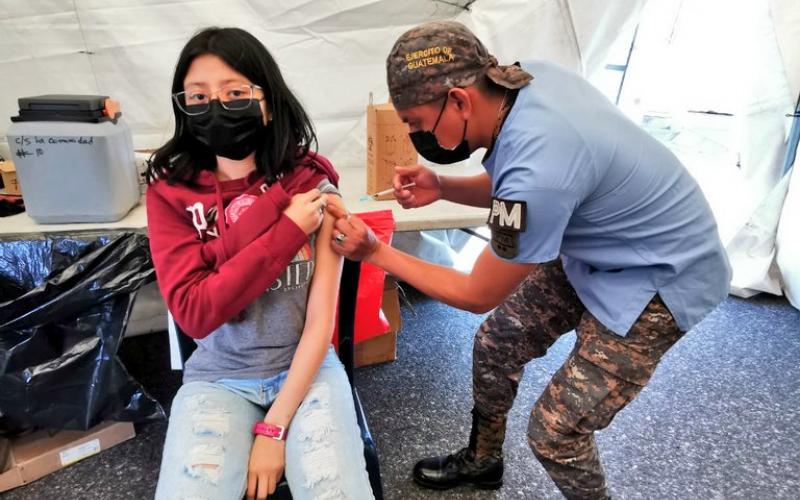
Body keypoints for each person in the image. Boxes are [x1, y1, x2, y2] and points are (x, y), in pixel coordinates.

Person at [327, 20, 731, 499]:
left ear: (458, 100)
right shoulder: (521, 84)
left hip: (662, 279)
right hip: (595, 242)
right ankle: (483, 461)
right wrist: (444, 187)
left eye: (416, 123)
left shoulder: (541, 166)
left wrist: (376, 252)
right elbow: (521, 190)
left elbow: (477, 292)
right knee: (496, 346)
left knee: (556, 436)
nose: (416, 136)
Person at [145, 27, 374, 500]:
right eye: (198, 96)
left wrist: (275, 427)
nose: (216, 108)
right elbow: (195, 311)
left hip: (306, 370)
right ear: (182, 107)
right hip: (218, 374)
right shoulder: (172, 192)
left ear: (267, 101)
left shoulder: (313, 187)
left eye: (234, 93)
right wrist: (284, 225)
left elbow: (319, 323)